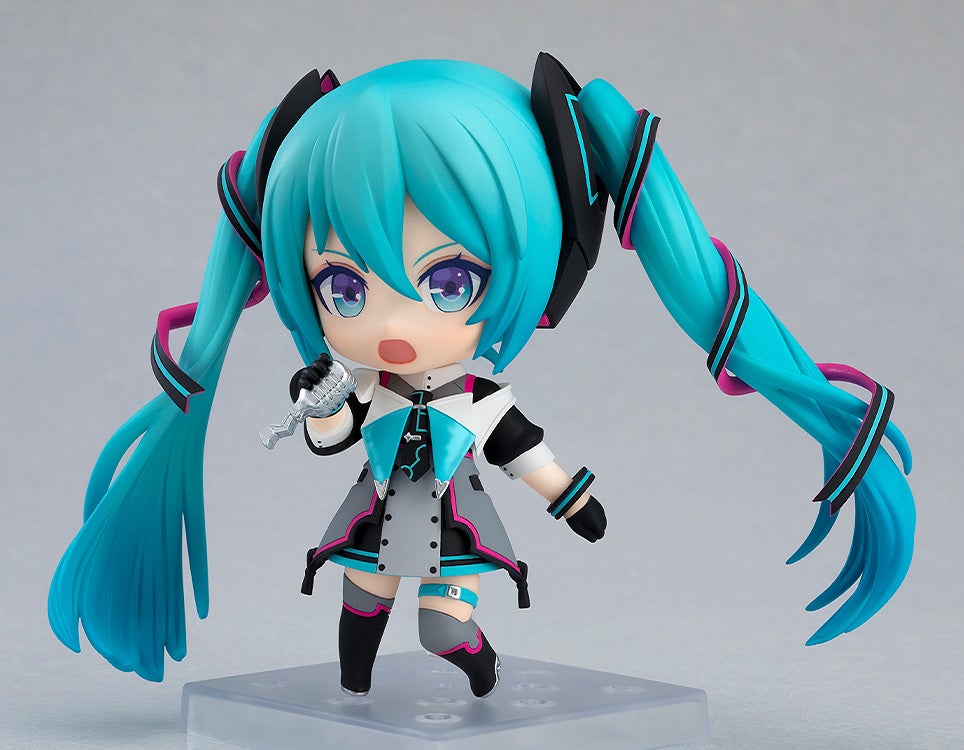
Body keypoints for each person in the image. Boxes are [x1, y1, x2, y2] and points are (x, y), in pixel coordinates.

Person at [48, 55, 915, 698]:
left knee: (442, 624)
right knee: (360, 609)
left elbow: (525, 452)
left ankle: (482, 672)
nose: (392, 326)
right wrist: (318, 403)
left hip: (456, 526)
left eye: (449, 281)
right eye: (344, 287)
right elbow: (329, 437)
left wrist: (573, 501)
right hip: (374, 518)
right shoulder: (367, 387)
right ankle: (355, 695)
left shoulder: (478, 399)